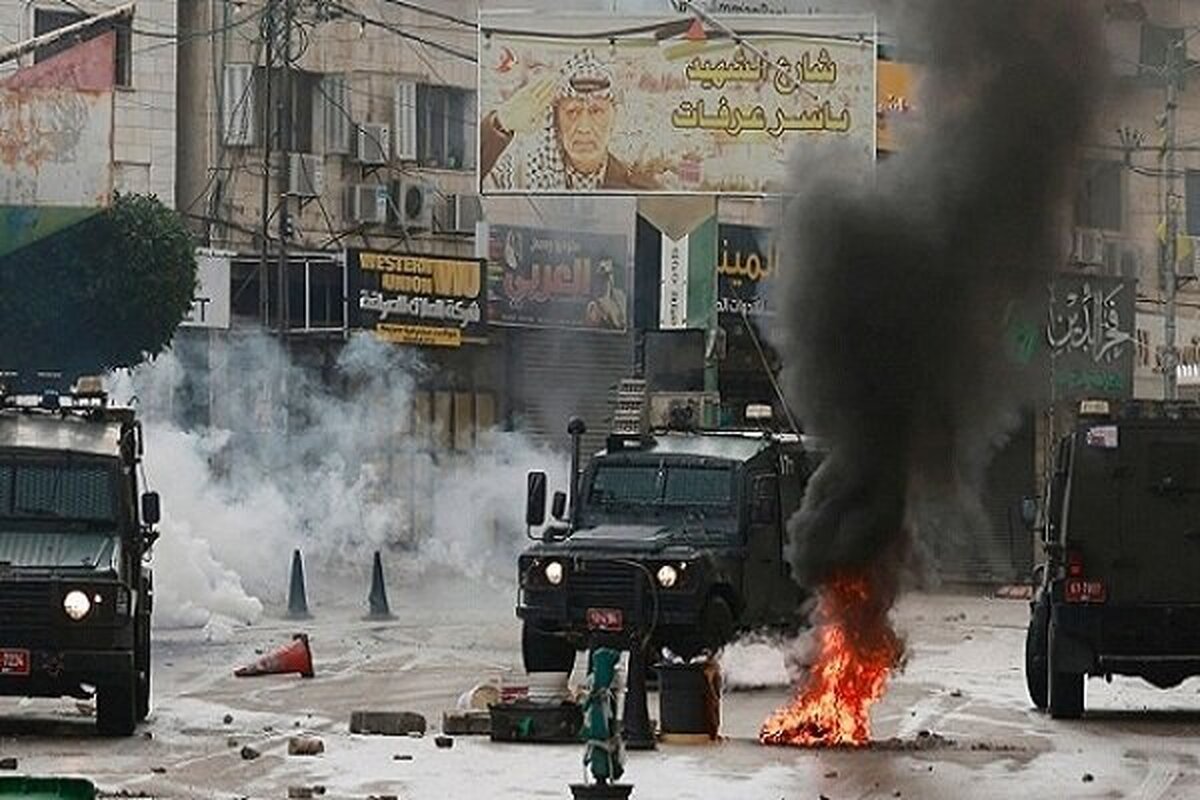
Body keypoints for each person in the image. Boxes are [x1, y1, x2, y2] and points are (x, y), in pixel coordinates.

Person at [481, 49, 660, 191]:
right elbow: (471, 179)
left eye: (596, 111)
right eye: (572, 111)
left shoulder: (639, 187)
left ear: (614, 118)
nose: (584, 128)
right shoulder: (519, 176)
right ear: (556, 121)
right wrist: (500, 124)